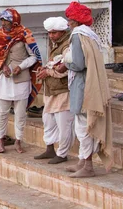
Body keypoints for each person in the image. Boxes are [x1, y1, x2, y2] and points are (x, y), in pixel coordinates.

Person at [56, 1, 113, 178]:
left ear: (75, 20)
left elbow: (79, 64)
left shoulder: (77, 35)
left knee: (83, 126)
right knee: (82, 124)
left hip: (82, 86)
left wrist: (64, 64)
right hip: (86, 83)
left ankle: (88, 166)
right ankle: (82, 161)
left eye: (70, 19)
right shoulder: (89, 34)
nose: (68, 22)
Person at [0, 8, 42, 154]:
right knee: (2, 112)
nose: (4, 23)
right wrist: (2, 66)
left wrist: (21, 66)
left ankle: (18, 140)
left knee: (20, 113)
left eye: (7, 21)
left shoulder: (25, 34)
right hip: (4, 79)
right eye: (3, 20)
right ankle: (1, 139)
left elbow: (34, 57)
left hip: (21, 79)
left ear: (14, 22)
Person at [34, 17, 75, 164]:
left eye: (54, 33)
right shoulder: (56, 44)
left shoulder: (67, 46)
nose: (51, 35)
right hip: (51, 90)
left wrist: (48, 72)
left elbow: (66, 68)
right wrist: (45, 69)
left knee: (64, 124)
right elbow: (54, 64)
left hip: (63, 91)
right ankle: (50, 149)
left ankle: (62, 153)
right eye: (50, 33)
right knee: (48, 120)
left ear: (62, 31)